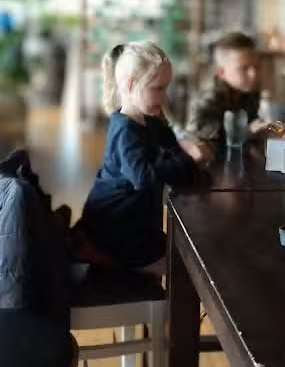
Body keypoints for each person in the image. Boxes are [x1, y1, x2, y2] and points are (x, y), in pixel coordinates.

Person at [75, 41, 211, 273]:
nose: (165, 97)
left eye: (166, 88)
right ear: (130, 84)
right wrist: (189, 160)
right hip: (113, 228)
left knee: (187, 254)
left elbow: (174, 152)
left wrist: (190, 160)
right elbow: (144, 179)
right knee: (182, 267)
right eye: (158, 89)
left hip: (137, 223)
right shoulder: (124, 131)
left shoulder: (151, 122)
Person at [183, 32, 269, 151]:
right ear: (221, 72)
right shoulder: (208, 98)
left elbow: (252, 123)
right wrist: (246, 133)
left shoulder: (248, 90)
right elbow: (201, 141)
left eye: (257, 66)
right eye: (244, 68)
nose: (253, 74)